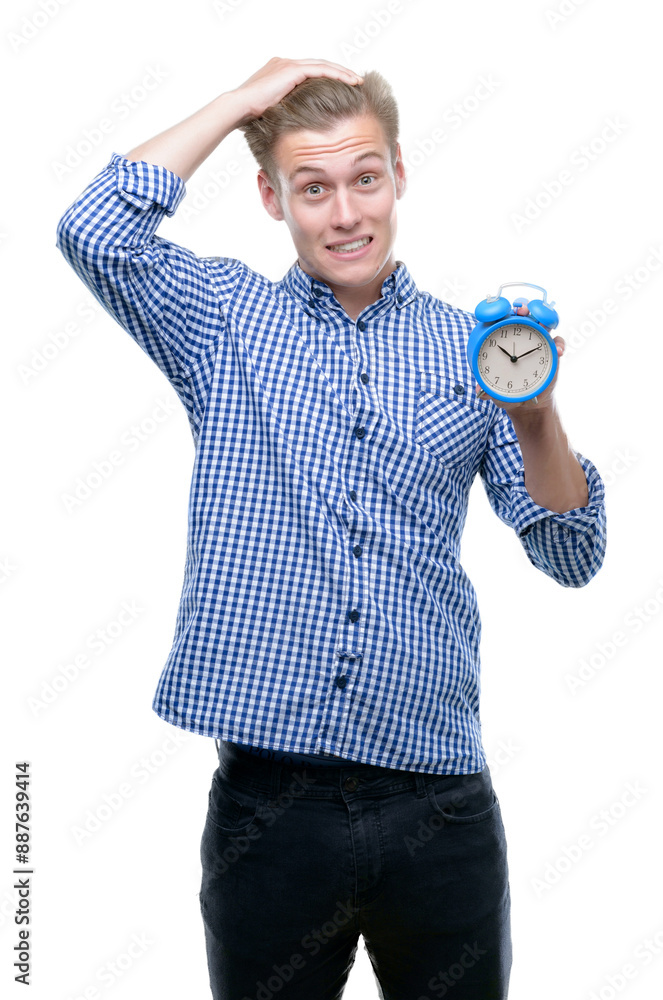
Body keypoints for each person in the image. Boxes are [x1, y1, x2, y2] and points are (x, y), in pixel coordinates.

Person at [56, 56, 606, 1000]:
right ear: (272, 199)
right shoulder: (226, 320)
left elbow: (571, 551)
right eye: (312, 188)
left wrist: (535, 415)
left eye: (364, 178)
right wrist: (237, 103)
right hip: (272, 814)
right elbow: (93, 229)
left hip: (439, 808)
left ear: (398, 174)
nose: (345, 213)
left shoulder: (471, 350)